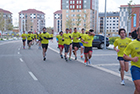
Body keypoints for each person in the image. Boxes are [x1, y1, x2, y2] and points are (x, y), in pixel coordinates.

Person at [123, 26, 140, 94]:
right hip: (136, 67)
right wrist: (132, 58)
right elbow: (125, 56)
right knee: (138, 88)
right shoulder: (132, 44)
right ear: (137, 32)